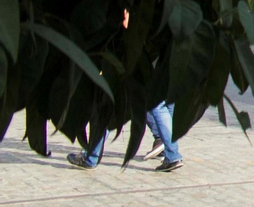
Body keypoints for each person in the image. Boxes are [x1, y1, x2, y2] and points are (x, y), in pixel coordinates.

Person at [67, 11, 184, 172]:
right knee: (156, 104)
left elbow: (126, 21)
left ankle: (91, 157)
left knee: (111, 105)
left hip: (134, 56)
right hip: (156, 55)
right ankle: (170, 152)